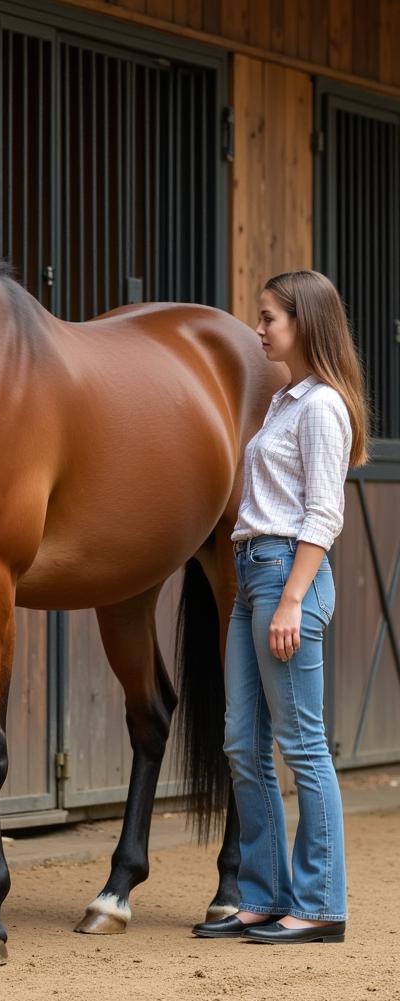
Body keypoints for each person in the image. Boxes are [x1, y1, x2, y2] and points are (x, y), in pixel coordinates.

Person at [193, 270, 369, 944]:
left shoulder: (321, 406)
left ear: (305, 324)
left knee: (301, 746)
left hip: (283, 578)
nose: (258, 329)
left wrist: (292, 597)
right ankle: (264, 894)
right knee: (243, 742)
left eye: (269, 318)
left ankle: (322, 903)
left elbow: (324, 514)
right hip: (250, 573)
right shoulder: (283, 402)